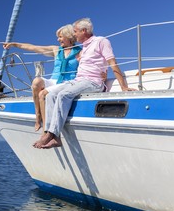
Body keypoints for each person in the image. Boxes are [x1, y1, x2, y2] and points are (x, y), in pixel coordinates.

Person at [34, 18, 136, 149]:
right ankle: (55, 137)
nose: (74, 34)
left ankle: (51, 134)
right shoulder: (84, 47)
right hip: (78, 80)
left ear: (84, 31)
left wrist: (124, 86)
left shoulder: (101, 41)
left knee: (64, 95)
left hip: (93, 82)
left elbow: (112, 63)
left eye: (75, 31)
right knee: (50, 95)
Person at [2, 24, 81, 134]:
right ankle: (38, 115)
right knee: (36, 82)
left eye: (61, 37)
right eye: (58, 37)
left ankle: (45, 128)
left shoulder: (80, 51)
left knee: (43, 94)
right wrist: (14, 44)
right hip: (54, 80)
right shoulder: (56, 50)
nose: (58, 39)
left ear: (69, 36)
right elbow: (34, 48)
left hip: (67, 82)